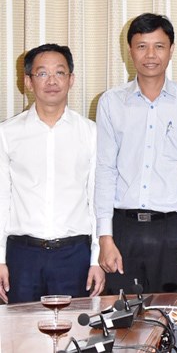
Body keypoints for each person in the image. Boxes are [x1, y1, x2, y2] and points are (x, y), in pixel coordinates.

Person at [94, 13, 177, 294]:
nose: (150, 55)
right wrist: (105, 236)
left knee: (176, 315)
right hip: (124, 230)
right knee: (121, 316)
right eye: (142, 46)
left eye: (159, 46)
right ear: (130, 50)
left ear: (171, 50)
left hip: (176, 231)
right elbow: (105, 171)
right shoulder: (111, 102)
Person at [0, 44, 105, 303]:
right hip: (22, 256)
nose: (52, 81)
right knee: (20, 328)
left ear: (71, 79)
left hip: (74, 255)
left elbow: (96, 199)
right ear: (28, 81)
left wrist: (96, 259)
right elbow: (2, 199)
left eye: (59, 72)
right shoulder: (7, 133)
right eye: (42, 73)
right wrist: (0, 259)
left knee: (74, 328)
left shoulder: (90, 133)